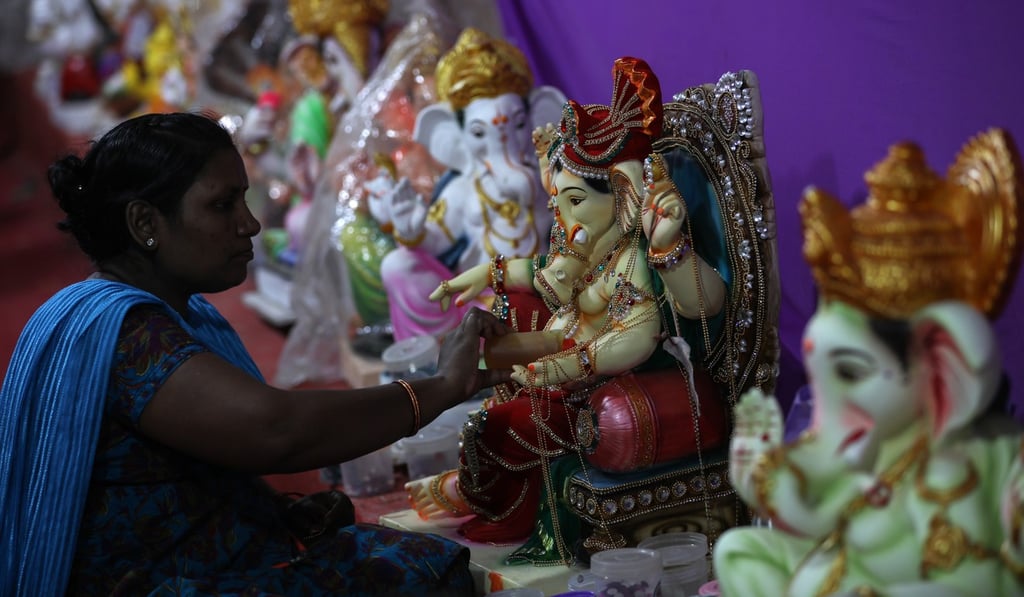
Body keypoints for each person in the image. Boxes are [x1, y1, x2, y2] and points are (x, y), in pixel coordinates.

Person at [0, 111, 511, 596]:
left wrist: (268, 509)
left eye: (243, 200)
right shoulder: (127, 335)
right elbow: (276, 430)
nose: (250, 224)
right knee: (421, 572)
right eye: (223, 205)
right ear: (144, 223)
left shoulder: (161, 313)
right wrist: (443, 387)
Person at [406, 57, 729, 547]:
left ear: (623, 195)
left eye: (574, 201)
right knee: (508, 310)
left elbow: (642, 335)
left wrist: (667, 247)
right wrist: (486, 273)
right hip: (568, 351)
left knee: (494, 426)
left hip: (602, 385)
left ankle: (482, 496)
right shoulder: (594, 242)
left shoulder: (637, 256)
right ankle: (480, 476)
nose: (562, 217)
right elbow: (548, 278)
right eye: (558, 203)